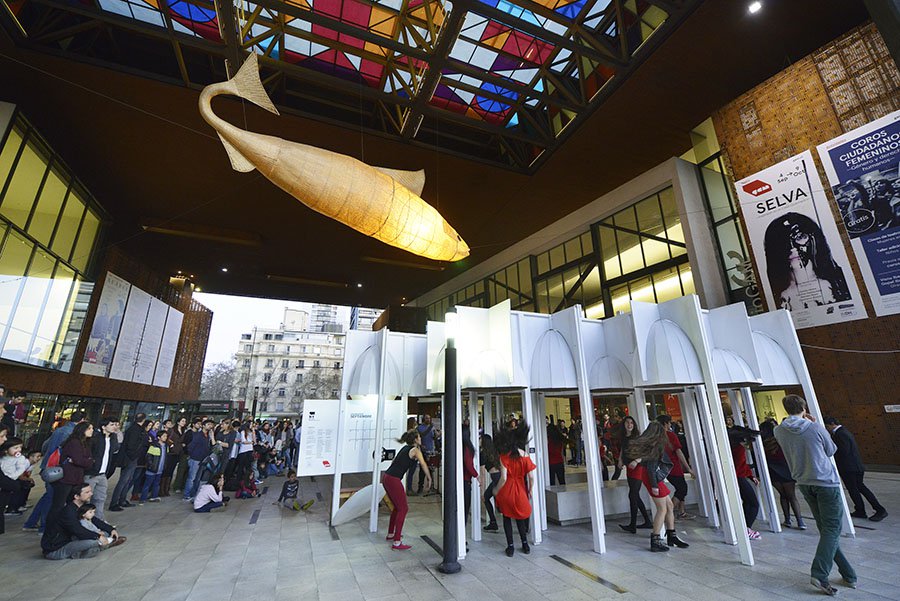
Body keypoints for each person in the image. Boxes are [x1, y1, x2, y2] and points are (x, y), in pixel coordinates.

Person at [775, 395, 856, 596]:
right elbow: (831, 449)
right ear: (804, 408)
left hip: (804, 482)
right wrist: (815, 425)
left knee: (826, 530)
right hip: (825, 481)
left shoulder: (779, 430)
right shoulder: (815, 427)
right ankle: (819, 574)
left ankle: (849, 574)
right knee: (832, 529)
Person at [624, 421, 688, 552]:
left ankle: (671, 535)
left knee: (669, 506)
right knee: (662, 509)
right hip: (653, 478)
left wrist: (638, 460)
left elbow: (647, 458)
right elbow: (651, 466)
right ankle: (656, 539)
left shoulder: (651, 444)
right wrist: (654, 485)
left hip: (652, 477)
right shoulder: (656, 444)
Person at [824, 417, 886, 522]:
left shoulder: (840, 434)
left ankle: (879, 509)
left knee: (856, 489)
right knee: (857, 489)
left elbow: (843, 451)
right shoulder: (843, 431)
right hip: (853, 466)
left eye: (827, 426)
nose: (827, 429)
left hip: (849, 467)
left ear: (832, 423)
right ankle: (860, 510)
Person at [41, 482, 126, 559]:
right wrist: (98, 536)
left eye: (90, 491)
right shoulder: (68, 511)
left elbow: (94, 520)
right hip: (57, 549)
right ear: (76, 496)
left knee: (105, 533)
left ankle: (99, 545)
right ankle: (106, 543)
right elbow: (78, 531)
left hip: (72, 540)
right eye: (87, 492)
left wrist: (111, 529)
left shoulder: (81, 507)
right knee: (93, 541)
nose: (91, 494)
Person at [383, 430, 431, 550]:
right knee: (403, 509)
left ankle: (391, 534)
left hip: (387, 477)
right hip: (393, 479)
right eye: (419, 437)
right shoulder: (415, 450)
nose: (421, 439)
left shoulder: (405, 448)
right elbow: (423, 464)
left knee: (397, 507)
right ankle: (397, 542)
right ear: (415, 440)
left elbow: (394, 462)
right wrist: (429, 478)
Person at [494, 421, 535, 557]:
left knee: (507, 517)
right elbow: (531, 477)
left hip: (507, 490)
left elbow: (504, 478)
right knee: (520, 517)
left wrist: (496, 490)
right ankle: (525, 544)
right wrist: (530, 489)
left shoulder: (504, 456)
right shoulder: (525, 455)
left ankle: (510, 546)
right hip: (520, 489)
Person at [760, 420, 805, 529]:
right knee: (792, 496)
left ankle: (787, 519)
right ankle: (800, 521)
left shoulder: (763, 443)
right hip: (786, 470)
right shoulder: (781, 440)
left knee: (783, 495)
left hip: (773, 471)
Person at [726, 417, 762, 540]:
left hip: (736, 478)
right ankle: (746, 528)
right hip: (739, 478)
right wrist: (750, 475)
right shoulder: (739, 449)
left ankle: (744, 528)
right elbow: (740, 465)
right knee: (753, 504)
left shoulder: (731, 448)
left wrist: (750, 476)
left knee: (747, 502)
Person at [51, 422, 95, 521]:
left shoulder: (85, 443)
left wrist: (87, 461)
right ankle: (51, 528)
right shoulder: (74, 442)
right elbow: (79, 460)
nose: (92, 430)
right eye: (89, 428)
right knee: (58, 505)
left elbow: (88, 461)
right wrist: (87, 461)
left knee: (73, 504)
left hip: (76, 478)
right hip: (67, 478)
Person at [617, 416, 652, 534]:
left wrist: (636, 461)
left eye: (631, 422)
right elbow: (623, 449)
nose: (629, 425)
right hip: (629, 467)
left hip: (638, 468)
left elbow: (645, 452)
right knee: (635, 495)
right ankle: (647, 521)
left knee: (633, 495)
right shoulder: (624, 437)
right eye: (627, 422)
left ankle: (633, 525)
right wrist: (620, 460)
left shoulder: (637, 437)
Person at [657, 415, 694, 520]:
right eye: (669, 422)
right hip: (674, 467)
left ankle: (681, 512)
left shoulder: (657, 437)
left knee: (680, 488)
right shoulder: (670, 435)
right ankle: (667, 513)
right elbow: (679, 452)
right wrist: (688, 468)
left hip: (665, 468)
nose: (670, 424)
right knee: (682, 489)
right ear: (666, 423)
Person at [109, 412, 147, 511]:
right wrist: (134, 456)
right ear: (143, 420)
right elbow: (131, 445)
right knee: (123, 480)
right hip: (130, 458)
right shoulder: (135, 430)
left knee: (127, 480)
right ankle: (114, 502)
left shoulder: (133, 428)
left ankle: (122, 500)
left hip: (130, 457)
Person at [84, 418, 118, 521]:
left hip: (103, 474)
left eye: (115, 424)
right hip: (91, 473)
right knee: (86, 499)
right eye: (111, 424)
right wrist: (91, 464)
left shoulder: (113, 438)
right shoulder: (95, 438)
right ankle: (84, 521)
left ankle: (99, 520)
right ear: (103, 427)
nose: (114, 427)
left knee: (100, 498)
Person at [184, 419, 216, 501]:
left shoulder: (208, 436)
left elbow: (213, 445)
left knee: (197, 478)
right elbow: (191, 446)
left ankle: (193, 494)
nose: (210, 426)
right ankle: (187, 495)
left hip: (203, 459)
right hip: (195, 458)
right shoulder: (198, 435)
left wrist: (212, 436)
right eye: (208, 424)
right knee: (192, 478)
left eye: (211, 425)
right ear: (203, 426)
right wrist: (191, 455)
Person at [161, 417, 187, 497]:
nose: (184, 422)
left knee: (171, 470)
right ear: (178, 422)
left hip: (178, 452)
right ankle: (162, 489)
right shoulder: (172, 430)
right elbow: (167, 438)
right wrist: (172, 445)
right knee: (167, 470)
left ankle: (167, 488)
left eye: (185, 421)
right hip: (171, 453)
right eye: (182, 421)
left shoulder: (183, 431)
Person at [140, 430, 168, 503]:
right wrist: (151, 465)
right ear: (159, 437)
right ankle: (143, 498)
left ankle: (154, 497)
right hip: (152, 469)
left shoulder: (166, 446)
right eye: (164, 436)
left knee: (156, 484)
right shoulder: (154, 445)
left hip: (160, 469)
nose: (165, 437)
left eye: (166, 436)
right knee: (147, 484)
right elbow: (148, 456)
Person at [480, 434, 501, 532]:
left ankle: (493, 522)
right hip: (499, 476)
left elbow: (482, 474)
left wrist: (482, 490)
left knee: (485, 497)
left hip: (496, 478)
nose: (479, 441)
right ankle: (493, 522)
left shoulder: (483, 454)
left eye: (480, 439)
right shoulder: (495, 451)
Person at [414, 415, 436, 495]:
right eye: (427, 418)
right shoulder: (419, 428)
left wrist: (437, 434)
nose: (428, 419)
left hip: (431, 450)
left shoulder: (432, 427)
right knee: (422, 470)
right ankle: (420, 487)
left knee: (431, 469)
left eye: (429, 418)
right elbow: (422, 435)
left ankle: (430, 487)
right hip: (423, 451)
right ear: (423, 419)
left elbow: (434, 437)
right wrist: (430, 428)